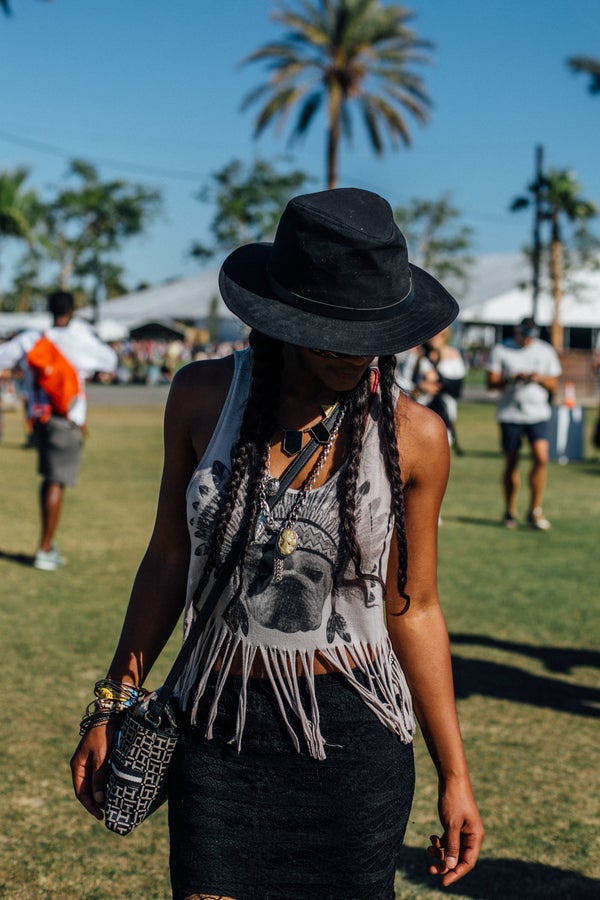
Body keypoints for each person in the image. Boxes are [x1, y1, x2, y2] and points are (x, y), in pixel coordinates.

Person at [71, 188, 484, 899]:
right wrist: (114, 697)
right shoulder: (203, 397)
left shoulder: (415, 437)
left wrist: (456, 775)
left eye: (374, 334)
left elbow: (414, 609)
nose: (360, 355)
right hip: (215, 726)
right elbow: (169, 555)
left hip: (355, 742)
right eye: (336, 333)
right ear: (285, 318)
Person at [0, 290, 117, 569]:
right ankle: (44, 549)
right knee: (56, 481)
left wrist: (22, 369)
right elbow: (109, 361)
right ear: (72, 311)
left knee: (49, 478)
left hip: (39, 419)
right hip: (66, 420)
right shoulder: (80, 338)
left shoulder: (32, 338)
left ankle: (48, 544)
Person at [486, 317, 562, 530]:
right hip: (510, 414)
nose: (527, 340)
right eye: (524, 335)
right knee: (512, 461)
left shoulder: (545, 351)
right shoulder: (502, 349)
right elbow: (491, 383)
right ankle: (510, 510)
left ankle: (535, 509)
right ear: (517, 332)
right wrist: (512, 379)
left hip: (538, 413)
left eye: (531, 337)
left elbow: (554, 383)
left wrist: (539, 379)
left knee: (541, 457)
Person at [409, 327, 466, 454]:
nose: (435, 338)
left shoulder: (453, 354)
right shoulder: (419, 356)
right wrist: (421, 386)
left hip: (445, 409)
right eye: (432, 334)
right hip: (420, 407)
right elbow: (406, 381)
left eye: (439, 335)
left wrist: (439, 381)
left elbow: (457, 388)